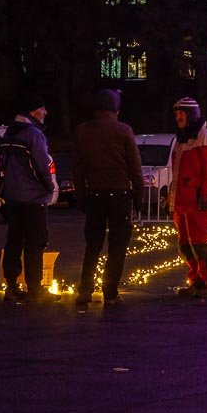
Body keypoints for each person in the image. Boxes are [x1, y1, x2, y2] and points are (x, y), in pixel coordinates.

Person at [72, 89, 143, 306]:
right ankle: (110, 292)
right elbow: (135, 167)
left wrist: (81, 196)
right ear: (116, 108)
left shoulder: (82, 131)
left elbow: (78, 167)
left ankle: (85, 290)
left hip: (94, 193)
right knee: (117, 245)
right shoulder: (124, 131)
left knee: (93, 244)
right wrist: (138, 197)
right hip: (120, 195)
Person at [0, 92, 60, 304]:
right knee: (36, 242)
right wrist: (49, 186)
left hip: (12, 196)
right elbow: (41, 165)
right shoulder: (34, 135)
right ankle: (35, 288)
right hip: (32, 198)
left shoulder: (9, 133)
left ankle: (12, 285)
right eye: (43, 108)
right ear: (35, 110)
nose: (46, 112)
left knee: (14, 240)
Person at [168, 97, 207, 298]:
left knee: (200, 243)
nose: (178, 117)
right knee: (185, 244)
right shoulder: (182, 139)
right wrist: (172, 200)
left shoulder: (204, 138)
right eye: (176, 114)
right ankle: (197, 281)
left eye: (181, 113)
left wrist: (205, 194)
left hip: (195, 201)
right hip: (182, 201)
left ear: (191, 115)